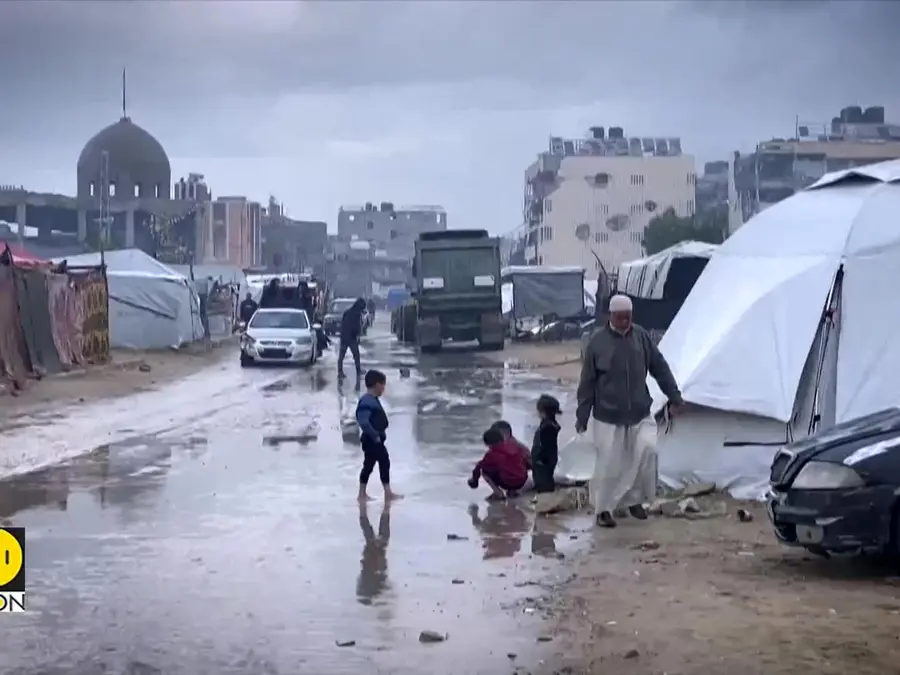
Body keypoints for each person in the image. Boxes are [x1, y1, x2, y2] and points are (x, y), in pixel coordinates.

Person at [576, 293, 683, 529]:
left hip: (639, 410)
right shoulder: (597, 342)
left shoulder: (641, 337)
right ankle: (603, 510)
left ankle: (635, 501)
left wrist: (674, 396)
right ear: (610, 316)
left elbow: (659, 367)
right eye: (620, 317)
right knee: (609, 464)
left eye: (628, 317)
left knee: (647, 452)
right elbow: (587, 382)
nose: (625, 321)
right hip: (608, 415)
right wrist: (582, 415)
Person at [355, 369, 402, 502]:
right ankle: (367, 494)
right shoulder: (367, 401)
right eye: (383, 385)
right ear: (377, 385)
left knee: (377, 463)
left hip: (375, 440)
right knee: (376, 464)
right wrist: (375, 436)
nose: (384, 388)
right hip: (372, 440)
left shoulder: (372, 400)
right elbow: (363, 421)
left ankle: (377, 493)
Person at [468, 426, 530, 501]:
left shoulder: (491, 454)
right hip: (522, 480)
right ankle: (512, 492)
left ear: (487, 444)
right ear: (503, 438)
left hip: (507, 482)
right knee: (512, 466)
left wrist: (474, 482)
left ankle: (498, 494)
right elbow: (526, 459)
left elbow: (478, 468)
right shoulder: (516, 446)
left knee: (485, 471)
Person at [531, 394, 562, 494]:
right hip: (546, 458)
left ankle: (546, 495)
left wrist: (540, 458)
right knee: (544, 478)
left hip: (543, 460)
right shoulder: (550, 424)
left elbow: (545, 445)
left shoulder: (548, 427)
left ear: (543, 412)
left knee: (544, 481)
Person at [338, 297, 367, 380]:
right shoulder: (356, 314)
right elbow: (357, 327)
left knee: (341, 356)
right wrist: (357, 335)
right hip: (351, 337)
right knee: (356, 355)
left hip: (344, 337)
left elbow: (342, 324)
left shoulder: (347, 312)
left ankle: (340, 372)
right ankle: (358, 370)